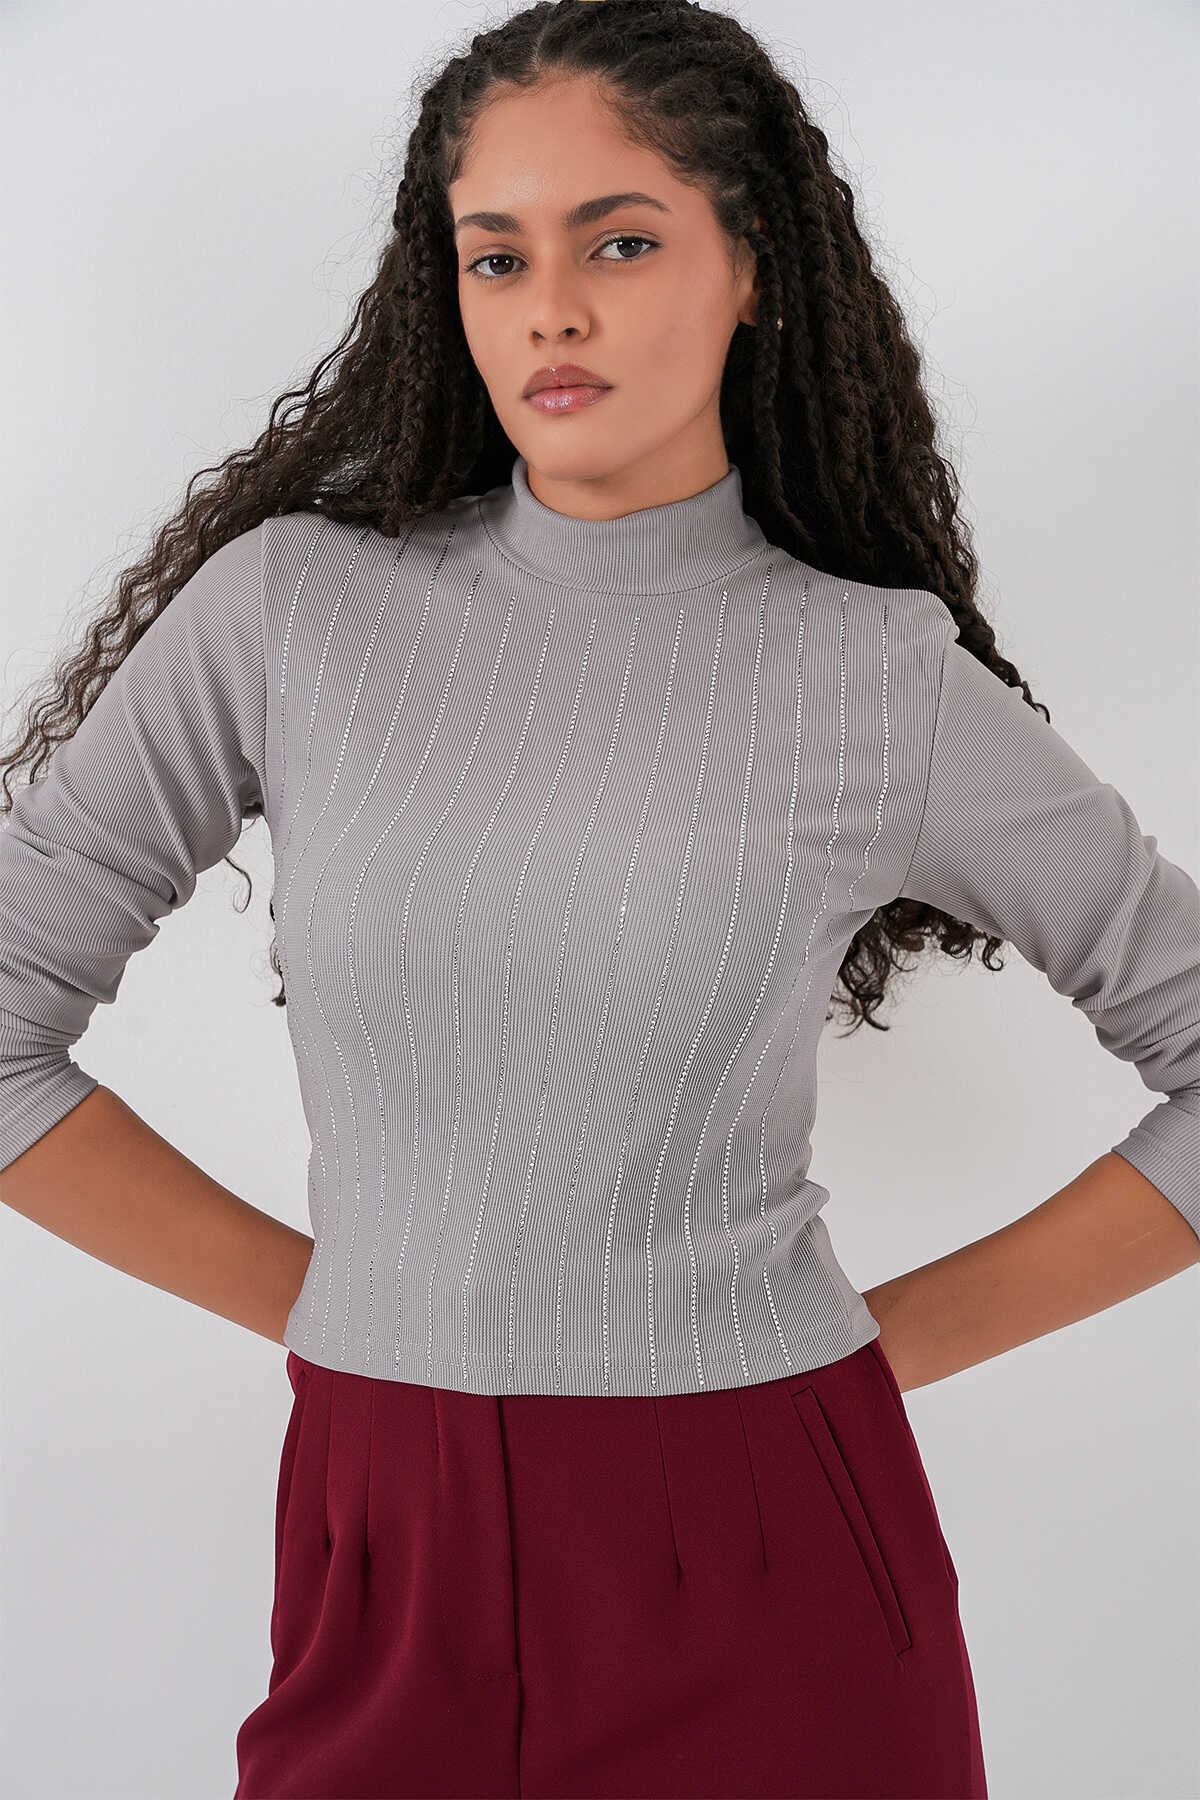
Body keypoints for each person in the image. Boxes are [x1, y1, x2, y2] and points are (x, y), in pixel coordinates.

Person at [2, 3, 1197, 1796]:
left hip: (773, 1542)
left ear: (752, 269)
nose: (550, 309)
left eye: (620, 243)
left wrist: (863, 1361)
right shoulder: (290, 615)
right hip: (380, 1532)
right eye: (498, 256)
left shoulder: (871, 676)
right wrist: (351, 1315)